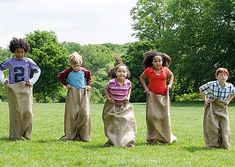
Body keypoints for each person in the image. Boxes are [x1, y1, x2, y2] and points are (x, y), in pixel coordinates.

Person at [0, 37, 41, 139]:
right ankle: (15, 134)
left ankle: (27, 134)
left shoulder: (28, 61)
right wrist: (3, 80)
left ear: (25, 51)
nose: (20, 54)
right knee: (15, 112)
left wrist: (32, 81)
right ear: (14, 51)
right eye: (18, 52)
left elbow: (38, 71)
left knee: (27, 111)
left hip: (25, 87)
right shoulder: (10, 61)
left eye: (22, 52)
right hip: (13, 88)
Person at [140, 50, 176, 144]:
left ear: (162, 62)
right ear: (152, 62)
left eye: (159, 61)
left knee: (164, 117)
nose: (157, 63)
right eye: (155, 61)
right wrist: (146, 88)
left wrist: (170, 84)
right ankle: (153, 138)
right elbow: (142, 78)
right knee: (151, 117)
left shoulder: (166, 70)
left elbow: (171, 76)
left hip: (164, 96)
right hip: (152, 96)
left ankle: (165, 138)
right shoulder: (148, 70)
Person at [57, 52, 91, 141]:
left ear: (81, 64)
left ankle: (84, 135)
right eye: (74, 66)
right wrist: (66, 84)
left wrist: (88, 85)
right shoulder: (68, 72)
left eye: (78, 65)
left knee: (85, 113)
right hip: (72, 93)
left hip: (83, 93)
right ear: (71, 64)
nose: (76, 67)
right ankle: (70, 134)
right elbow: (60, 77)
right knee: (72, 114)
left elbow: (88, 78)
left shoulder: (85, 71)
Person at [199, 67, 235, 149]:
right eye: (221, 75)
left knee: (225, 127)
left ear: (227, 77)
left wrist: (228, 101)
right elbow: (201, 89)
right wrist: (205, 100)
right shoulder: (212, 84)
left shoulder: (230, 86)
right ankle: (213, 145)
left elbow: (233, 93)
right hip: (212, 106)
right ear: (217, 76)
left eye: (225, 75)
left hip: (222, 107)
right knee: (213, 127)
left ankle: (225, 145)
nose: (223, 77)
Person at [102, 63, 137, 147]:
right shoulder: (111, 82)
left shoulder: (128, 83)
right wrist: (109, 97)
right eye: (119, 71)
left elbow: (129, 89)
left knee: (128, 122)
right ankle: (113, 141)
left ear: (127, 73)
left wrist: (128, 97)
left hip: (124, 106)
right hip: (113, 106)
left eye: (124, 71)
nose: (122, 73)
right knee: (114, 124)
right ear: (116, 73)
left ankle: (128, 141)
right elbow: (106, 89)